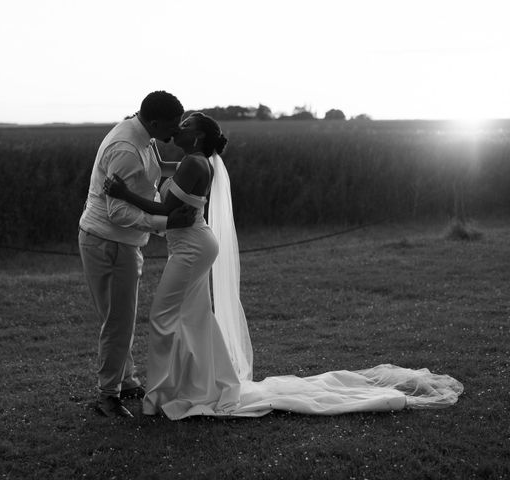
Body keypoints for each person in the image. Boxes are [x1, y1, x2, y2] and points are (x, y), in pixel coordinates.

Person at [104, 112, 464, 420]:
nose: (177, 129)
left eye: (183, 125)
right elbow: (167, 181)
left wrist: (124, 195)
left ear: (196, 136)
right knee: (194, 317)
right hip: (191, 244)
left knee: (162, 316)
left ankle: (158, 397)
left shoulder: (195, 164)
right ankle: (201, 383)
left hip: (191, 249)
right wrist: (144, 150)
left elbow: (167, 211)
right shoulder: (192, 162)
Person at [78, 91, 196, 419]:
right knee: (118, 320)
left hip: (122, 243)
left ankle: (126, 381)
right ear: (155, 121)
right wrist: (166, 222)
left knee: (119, 317)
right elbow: (118, 212)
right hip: (109, 241)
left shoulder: (145, 136)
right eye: (174, 124)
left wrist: (195, 166)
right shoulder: (126, 149)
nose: (177, 130)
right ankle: (107, 396)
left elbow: (150, 176)